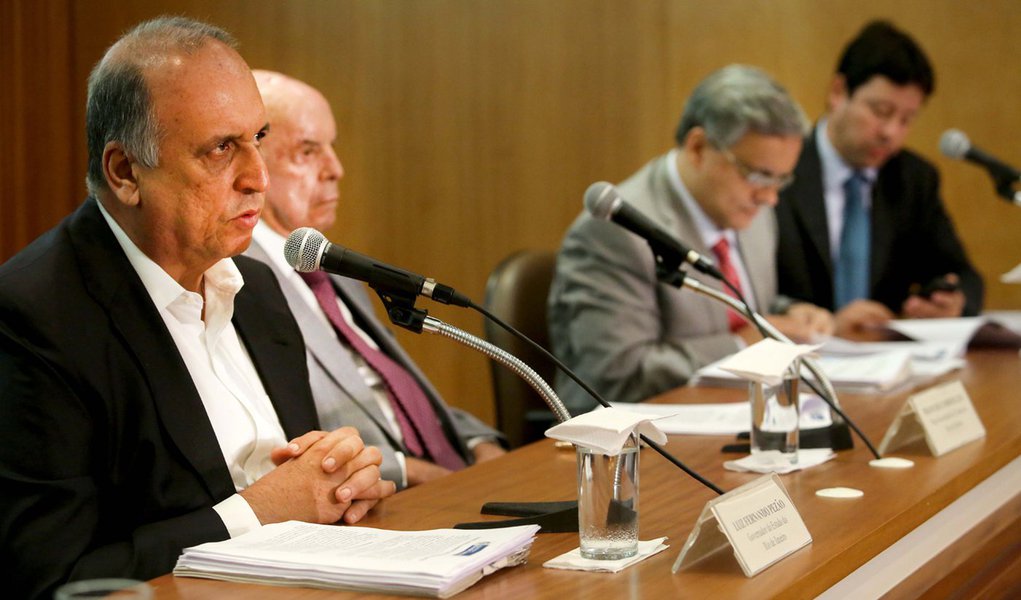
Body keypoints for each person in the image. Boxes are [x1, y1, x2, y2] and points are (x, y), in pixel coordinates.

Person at [0, 17, 394, 599]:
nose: (257, 178)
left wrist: (340, 480)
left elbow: (299, 488)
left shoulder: (258, 291)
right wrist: (257, 513)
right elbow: (51, 578)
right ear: (125, 171)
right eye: (220, 149)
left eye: (257, 138)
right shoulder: (35, 316)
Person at [245, 70, 505, 489]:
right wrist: (407, 471)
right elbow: (279, 441)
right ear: (251, 161)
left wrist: (476, 443)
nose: (336, 169)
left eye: (333, 148)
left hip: (451, 478)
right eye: (309, 151)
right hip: (377, 501)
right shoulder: (237, 281)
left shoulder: (332, 267)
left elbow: (395, 393)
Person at [548, 65, 833, 413]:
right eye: (758, 176)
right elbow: (617, 374)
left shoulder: (753, 212)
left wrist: (788, 313)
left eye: (781, 180)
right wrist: (741, 344)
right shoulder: (615, 231)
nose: (770, 198)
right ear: (698, 147)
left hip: (736, 417)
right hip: (638, 442)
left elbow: (733, 306)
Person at [775, 20, 984, 337]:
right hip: (796, 358)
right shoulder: (780, 167)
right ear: (838, 91)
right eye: (881, 111)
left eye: (906, 119)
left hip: (887, 364)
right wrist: (830, 325)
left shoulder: (914, 179)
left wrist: (951, 303)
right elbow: (758, 294)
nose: (891, 133)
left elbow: (964, 276)